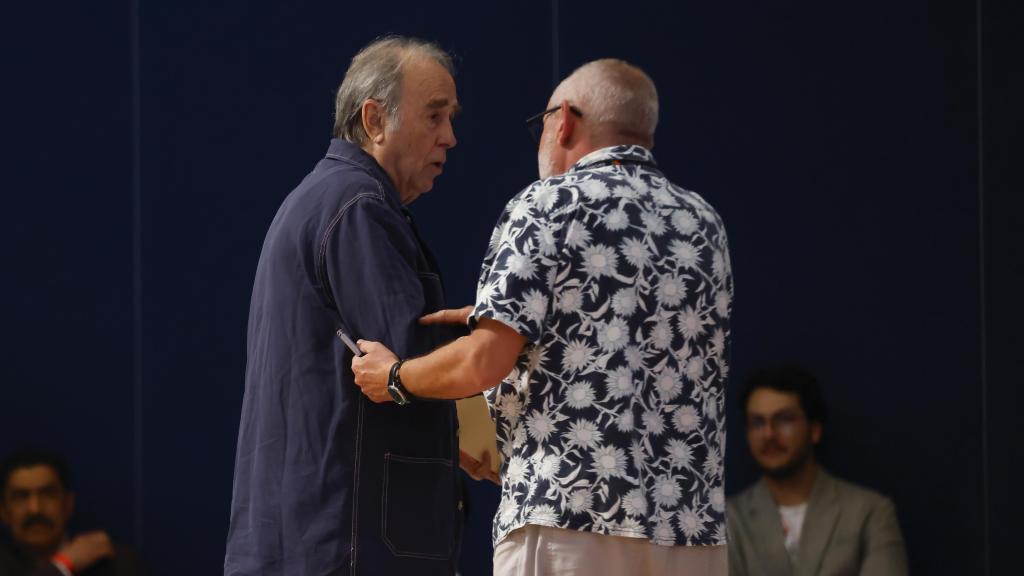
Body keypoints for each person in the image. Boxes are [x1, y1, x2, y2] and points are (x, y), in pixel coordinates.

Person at [353, 59, 733, 575]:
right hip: (691, 531)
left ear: (566, 120)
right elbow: (637, 340)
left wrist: (395, 378)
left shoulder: (548, 205)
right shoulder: (703, 223)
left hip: (569, 519)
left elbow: (485, 361)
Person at [224, 36, 464, 576]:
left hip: (302, 535)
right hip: (352, 541)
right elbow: (412, 361)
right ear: (375, 120)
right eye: (434, 116)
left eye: (451, 117)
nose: (449, 137)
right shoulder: (359, 208)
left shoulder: (319, 198)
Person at [727, 365, 908, 575]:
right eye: (757, 422)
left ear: (814, 429)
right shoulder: (727, 520)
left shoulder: (870, 512)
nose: (769, 434)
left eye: (784, 419)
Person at [0, 448, 150, 576]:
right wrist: (64, 565)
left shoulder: (116, 564)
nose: (35, 509)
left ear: (68, 504)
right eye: (21, 497)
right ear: (3, 511)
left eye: (48, 494)